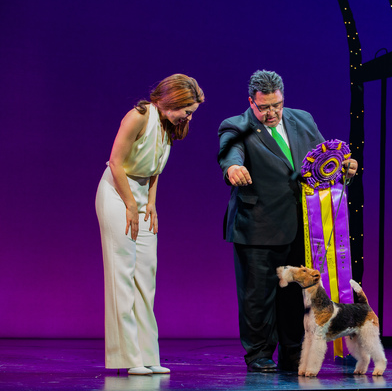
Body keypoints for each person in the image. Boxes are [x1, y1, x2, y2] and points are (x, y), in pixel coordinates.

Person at [218, 70, 358, 372]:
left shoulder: (302, 119)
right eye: (264, 107)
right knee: (258, 297)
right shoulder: (236, 126)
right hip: (257, 225)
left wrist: (343, 166)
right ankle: (259, 354)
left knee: (296, 295)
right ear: (251, 102)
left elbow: (325, 158)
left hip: (302, 225)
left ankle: (293, 353)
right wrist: (232, 168)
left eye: (277, 105)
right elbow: (230, 152)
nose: (271, 112)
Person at [96, 74, 204, 375]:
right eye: (187, 109)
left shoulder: (168, 127)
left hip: (141, 195)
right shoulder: (138, 116)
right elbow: (116, 162)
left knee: (146, 274)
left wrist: (151, 204)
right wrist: (131, 203)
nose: (189, 116)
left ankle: (147, 355)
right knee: (123, 273)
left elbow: (154, 170)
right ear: (172, 100)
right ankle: (127, 358)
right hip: (118, 193)